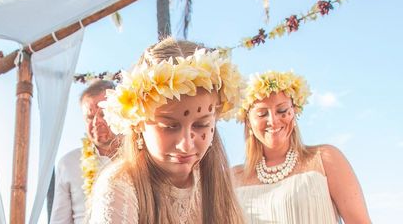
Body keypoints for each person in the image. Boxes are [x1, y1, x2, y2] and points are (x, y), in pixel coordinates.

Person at [87, 37, 245, 224]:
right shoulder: (119, 187)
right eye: (169, 126)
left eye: (200, 125)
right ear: (138, 123)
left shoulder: (215, 181)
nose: (186, 144)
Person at [233, 70, 371, 223]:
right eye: (262, 114)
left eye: (282, 110)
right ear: (248, 121)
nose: (273, 120)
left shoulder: (325, 159)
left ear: (294, 112)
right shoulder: (232, 178)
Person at [51, 80, 120, 224]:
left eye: (103, 113)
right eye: (90, 117)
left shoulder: (140, 156)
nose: (96, 122)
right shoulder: (68, 163)